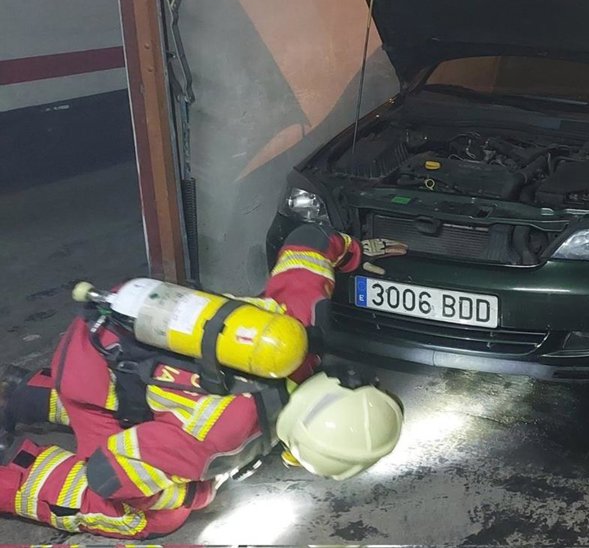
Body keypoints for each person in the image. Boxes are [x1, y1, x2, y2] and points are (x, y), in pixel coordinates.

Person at [0, 226, 406, 539]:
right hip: (88, 369)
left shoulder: (299, 331)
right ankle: (12, 469)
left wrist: (355, 252)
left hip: (127, 314)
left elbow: (308, 241)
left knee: (159, 412)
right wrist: (197, 492)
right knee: (149, 516)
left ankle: (25, 393)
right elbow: (109, 473)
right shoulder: (214, 440)